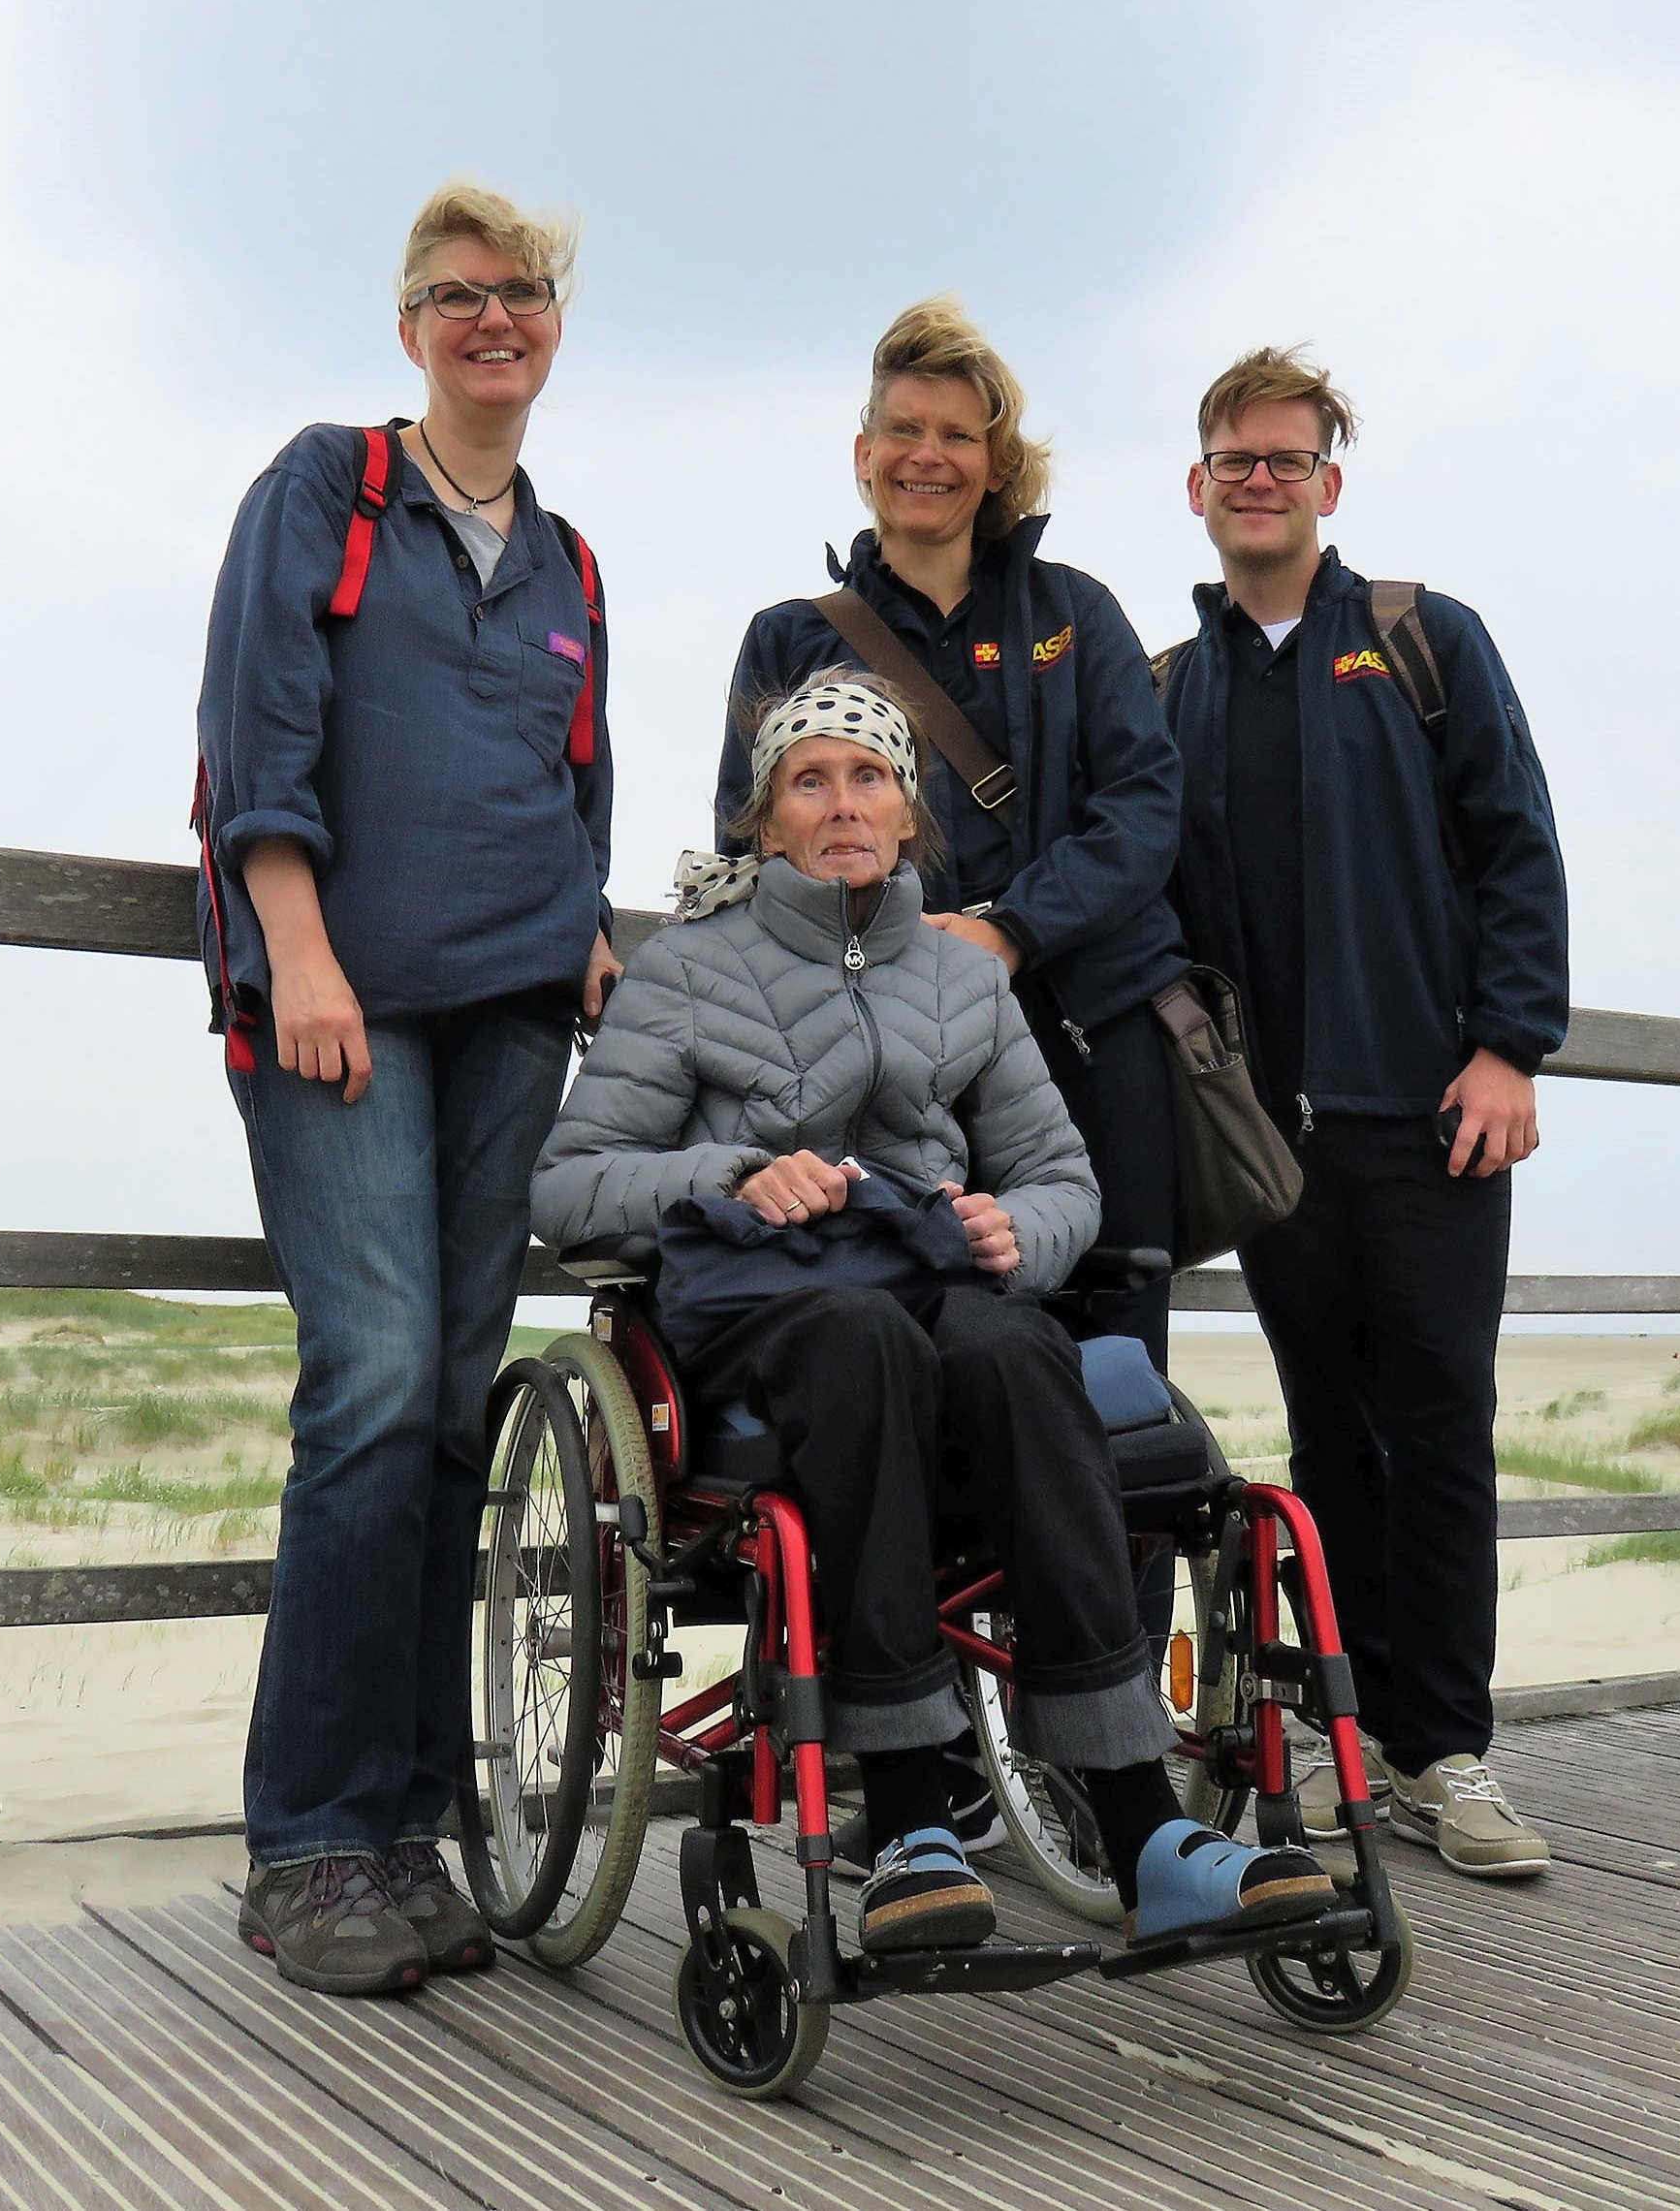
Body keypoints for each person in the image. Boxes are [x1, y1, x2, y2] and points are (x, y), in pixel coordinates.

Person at [536, 679, 1331, 1953]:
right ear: (765, 817)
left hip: (933, 1283)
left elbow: (1062, 1175)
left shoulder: (963, 982)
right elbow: (567, 1188)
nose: (842, 803)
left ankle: (1139, 1821)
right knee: (866, 1343)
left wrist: (1027, 1230)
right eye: (810, 779)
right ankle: (910, 1811)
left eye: (870, 779)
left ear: (910, 814)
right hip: (761, 1303)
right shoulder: (689, 969)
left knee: (1020, 1345)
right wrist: (737, 1172)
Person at [192, 183, 619, 1999]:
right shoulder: (326, 488)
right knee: (367, 1387)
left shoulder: (571, 564)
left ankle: (419, 1808)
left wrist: (593, 939)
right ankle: (306, 1834)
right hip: (340, 1013)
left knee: (454, 1408)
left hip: (519, 1016)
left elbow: (576, 789)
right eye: (458, 294)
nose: (492, 318)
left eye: (520, 292)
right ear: (410, 327)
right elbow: (254, 732)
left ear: (554, 323)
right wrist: (296, 948)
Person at [717, 298, 1189, 1851]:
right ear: (865, 456)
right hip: (879, 1042)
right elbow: (755, 839)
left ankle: (1090, 1741)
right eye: (903, 431)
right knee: (882, 1347)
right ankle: (906, 1746)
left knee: (1087, 1368)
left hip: (1079, 1026)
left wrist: (1004, 928)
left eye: (956, 434)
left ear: (995, 460)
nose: (928, 457)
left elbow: (1143, 811)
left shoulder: (1080, 613)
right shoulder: (793, 640)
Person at [1156, 347, 1569, 1880]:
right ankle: (1354, 1741)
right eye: (1233, 460)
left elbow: (1515, 846)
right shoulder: (1168, 688)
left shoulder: (1417, 640)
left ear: (1331, 483)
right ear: (1198, 487)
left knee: (1438, 1429)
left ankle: (1446, 1751)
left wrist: (1511, 1047)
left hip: (1433, 1114)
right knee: (1329, 1443)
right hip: (1272, 1144)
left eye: (1287, 459)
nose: (1258, 482)